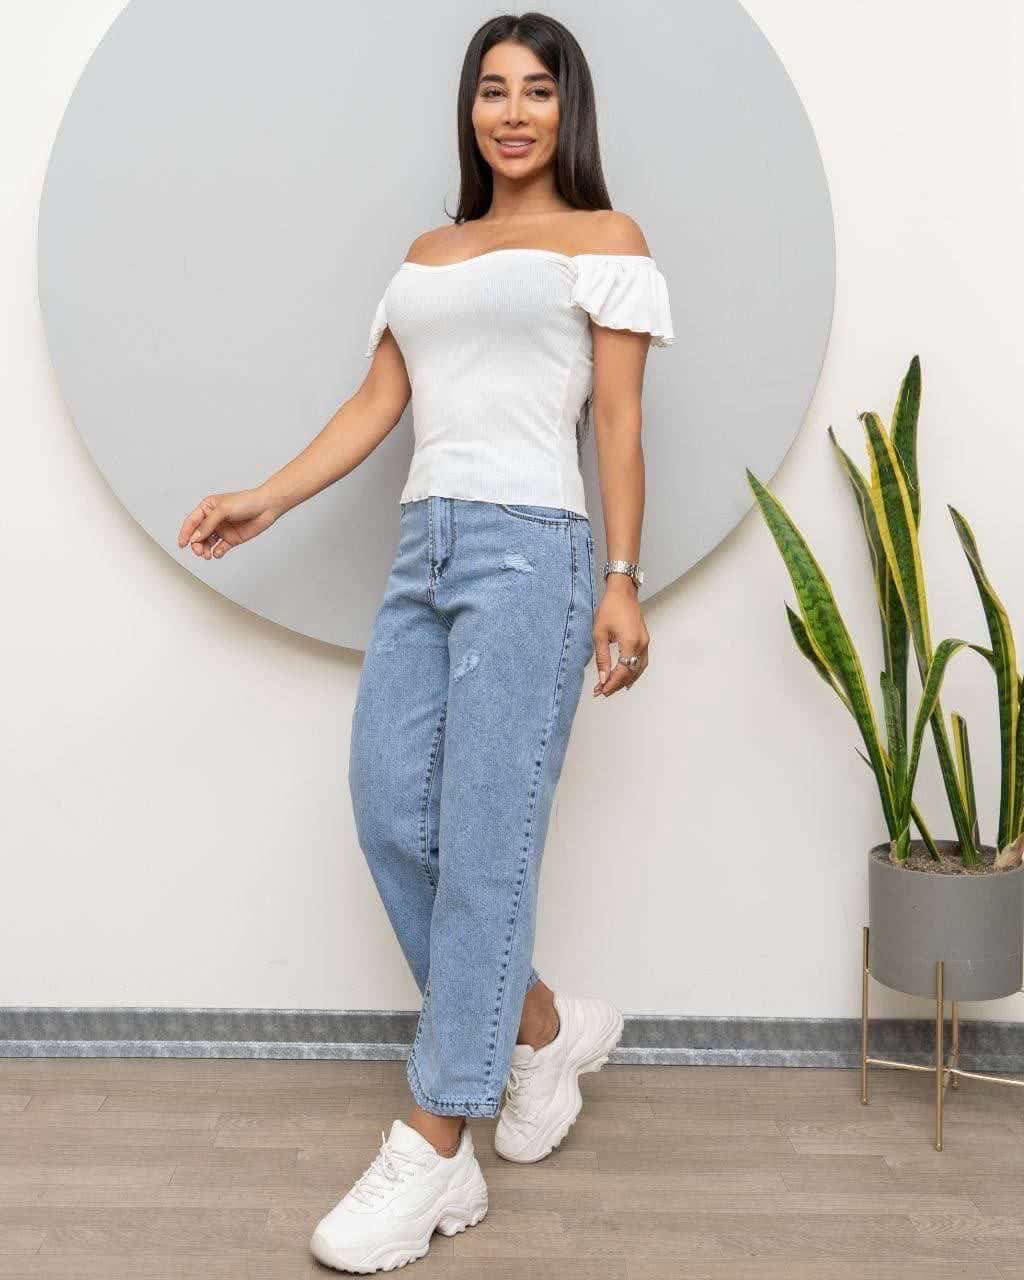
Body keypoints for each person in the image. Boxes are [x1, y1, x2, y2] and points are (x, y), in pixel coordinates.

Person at [177, 10, 673, 1273]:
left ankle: (435, 1137)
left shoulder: (606, 240)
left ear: (568, 109)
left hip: (534, 553)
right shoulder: (428, 253)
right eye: (492, 89)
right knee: (394, 814)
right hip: (424, 551)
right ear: (469, 109)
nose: (512, 112)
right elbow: (377, 402)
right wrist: (268, 495)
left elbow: (618, 421)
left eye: (537, 90)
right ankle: (542, 1027)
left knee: (487, 850)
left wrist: (622, 579)